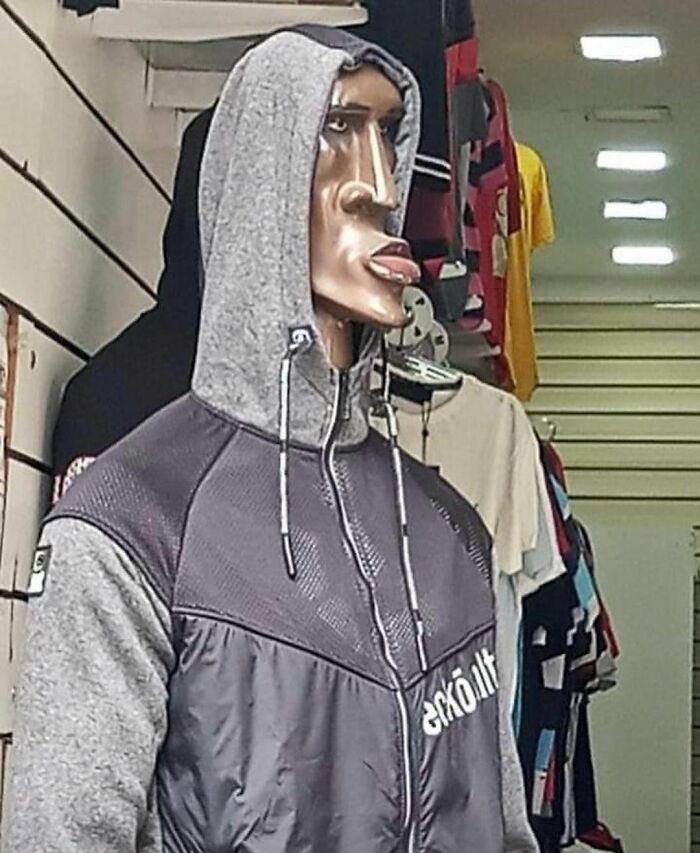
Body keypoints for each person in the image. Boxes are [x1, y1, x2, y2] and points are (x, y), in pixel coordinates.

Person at [6, 26, 503, 852]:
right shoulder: (128, 525)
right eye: (336, 129)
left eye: (388, 134)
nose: (380, 186)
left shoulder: (452, 535)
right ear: (259, 183)